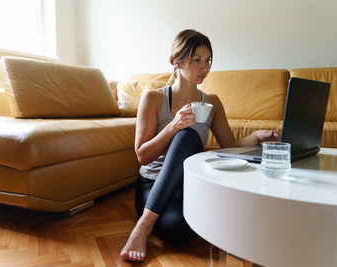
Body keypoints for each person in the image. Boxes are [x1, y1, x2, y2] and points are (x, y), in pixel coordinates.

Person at [120, 29, 280, 262]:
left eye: (208, 61)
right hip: (152, 186)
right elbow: (142, 157)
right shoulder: (153, 99)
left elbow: (229, 149)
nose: (205, 68)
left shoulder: (212, 102)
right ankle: (143, 225)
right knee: (185, 137)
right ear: (177, 61)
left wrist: (256, 136)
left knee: (183, 229)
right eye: (197, 60)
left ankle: (154, 222)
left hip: (188, 187)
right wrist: (173, 127)